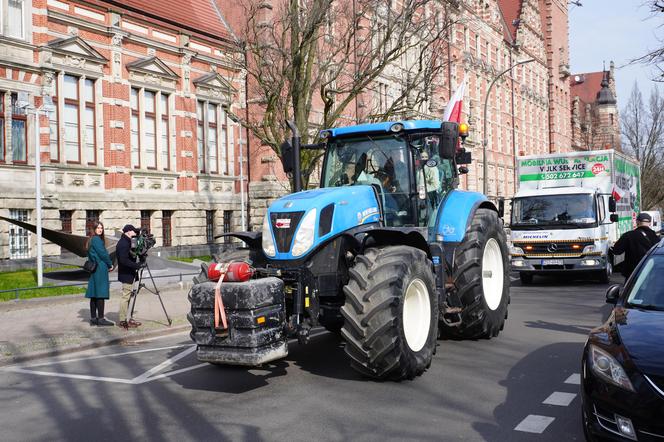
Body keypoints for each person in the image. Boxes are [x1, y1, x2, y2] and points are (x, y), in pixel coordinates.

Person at [611, 212, 659, 280]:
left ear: (637, 222)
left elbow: (617, 251)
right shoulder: (656, 237)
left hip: (633, 272)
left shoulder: (628, 235)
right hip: (650, 271)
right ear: (650, 223)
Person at [85, 222, 114, 326]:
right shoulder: (97, 239)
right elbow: (103, 254)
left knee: (94, 293)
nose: (100, 230)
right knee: (100, 293)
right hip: (100, 267)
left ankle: (93, 318)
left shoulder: (91, 239)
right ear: (94, 229)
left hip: (94, 268)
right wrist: (110, 264)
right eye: (98, 228)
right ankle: (101, 319)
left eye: (101, 228)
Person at [116, 224, 143, 329]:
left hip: (130, 273)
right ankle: (123, 320)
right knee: (125, 296)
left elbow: (134, 252)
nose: (135, 233)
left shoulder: (129, 241)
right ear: (128, 232)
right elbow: (123, 261)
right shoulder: (123, 243)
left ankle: (128, 317)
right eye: (134, 231)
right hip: (126, 273)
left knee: (129, 296)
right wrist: (137, 265)